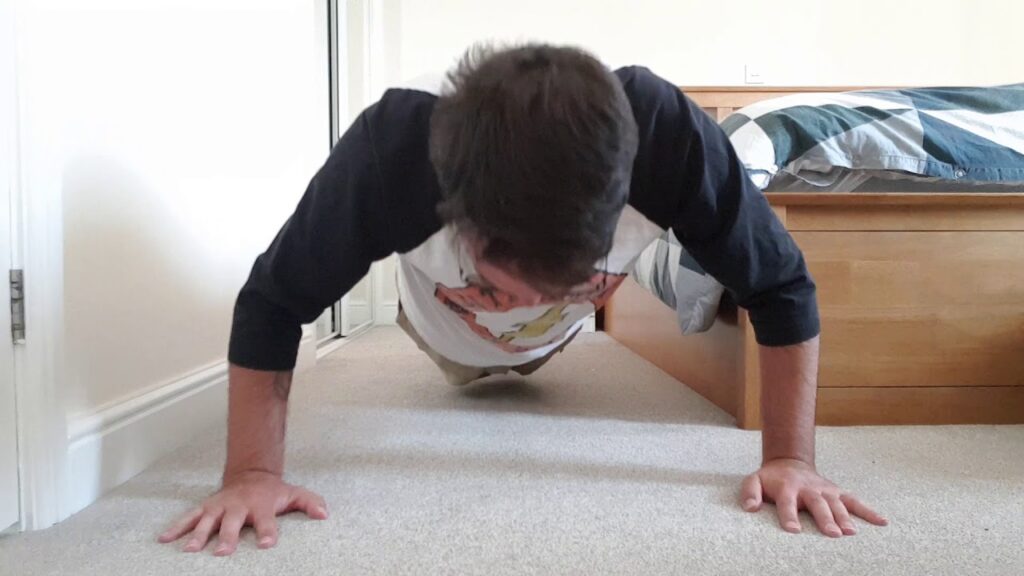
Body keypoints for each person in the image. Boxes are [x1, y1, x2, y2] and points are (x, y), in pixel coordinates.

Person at [159, 44, 887, 556]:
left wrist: (790, 458)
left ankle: (547, 320)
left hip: (558, 340)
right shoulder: (393, 153)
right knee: (470, 375)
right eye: (508, 284)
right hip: (441, 334)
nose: (526, 298)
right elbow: (272, 303)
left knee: (532, 360)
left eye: (560, 280)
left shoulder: (668, 137)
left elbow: (782, 287)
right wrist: (252, 474)